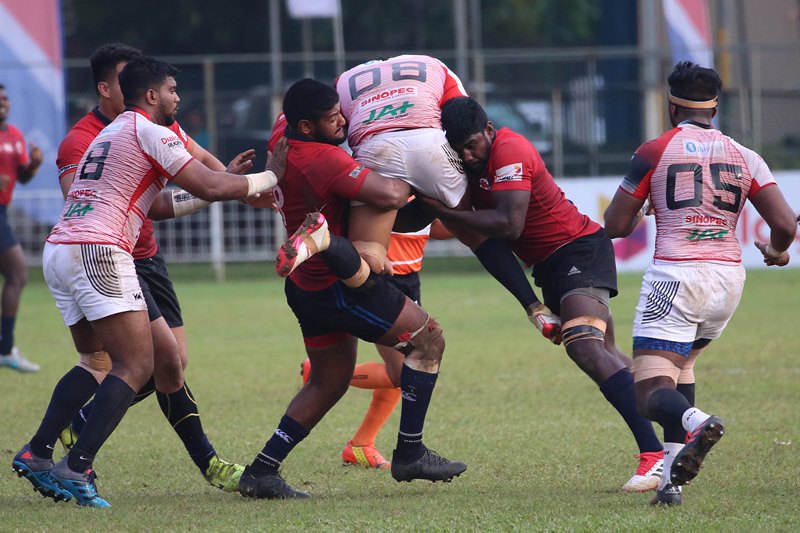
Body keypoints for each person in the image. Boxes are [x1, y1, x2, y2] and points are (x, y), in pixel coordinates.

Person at [12, 56, 284, 507]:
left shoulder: (112, 132)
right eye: (173, 90)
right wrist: (273, 174)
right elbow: (211, 186)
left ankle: (38, 451)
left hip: (62, 247)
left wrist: (223, 184)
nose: (179, 98)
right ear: (153, 95)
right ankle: (77, 466)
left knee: (97, 360)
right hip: (100, 249)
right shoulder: (150, 131)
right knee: (137, 364)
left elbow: (163, 201)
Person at [238, 78, 466, 500]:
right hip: (338, 285)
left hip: (305, 285)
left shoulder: (284, 138)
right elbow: (391, 193)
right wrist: (415, 161)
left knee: (328, 382)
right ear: (306, 126)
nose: (343, 121)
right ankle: (410, 452)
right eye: (332, 118)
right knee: (428, 341)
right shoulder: (323, 158)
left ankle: (261, 470)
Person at [425, 96, 665, 493]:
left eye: (472, 145)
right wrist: (532, 305)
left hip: (579, 250)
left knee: (584, 346)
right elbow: (486, 245)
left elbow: (509, 225)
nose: (467, 156)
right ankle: (683, 419)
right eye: (458, 149)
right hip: (550, 269)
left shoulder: (510, 150)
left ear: (489, 130)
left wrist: (444, 212)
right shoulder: (466, 165)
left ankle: (654, 455)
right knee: (609, 355)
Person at [53, 43, 249, 493]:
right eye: (125, 77)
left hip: (145, 257)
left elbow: (207, 172)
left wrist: (234, 184)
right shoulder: (83, 139)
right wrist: (239, 185)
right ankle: (206, 463)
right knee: (138, 363)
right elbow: (81, 203)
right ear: (109, 88)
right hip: (108, 255)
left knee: (170, 364)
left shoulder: (160, 124)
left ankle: (75, 427)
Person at [603, 61, 797, 506]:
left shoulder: (654, 151)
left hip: (676, 277)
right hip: (727, 282)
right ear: (714, 108)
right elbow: (785, 225)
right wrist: (776, 251)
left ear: (671, 107)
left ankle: (698, 422)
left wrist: (644, 208)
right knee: (682, 368)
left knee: (648, 393)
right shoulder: (745, 155)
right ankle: (670, 485)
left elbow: (615, 225)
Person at [299, 220, 454, 469]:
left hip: (409, 278)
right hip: (381, 279)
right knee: (404, 372)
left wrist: (472, 222)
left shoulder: (421, 194)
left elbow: (431, 226)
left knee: (407, 369)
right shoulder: (384, 194)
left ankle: (361, 445)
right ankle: (321, 375)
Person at [0, 84, 42, 372]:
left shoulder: (15, 135)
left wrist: (34, 166)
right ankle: (5, 349)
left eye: (5, 98)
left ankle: (5, 346)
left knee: (16, 275)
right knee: (17, 273)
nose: (3, 102)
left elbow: (22, 178)